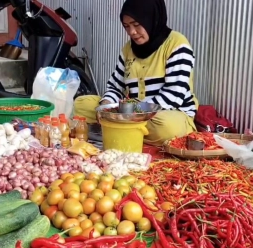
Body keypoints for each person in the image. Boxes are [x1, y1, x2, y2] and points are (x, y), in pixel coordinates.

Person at [74, 0, 199, 146]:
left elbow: (173, 95)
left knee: (166, 127)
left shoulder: (176, 44)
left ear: (151, 19)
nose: (132, 32)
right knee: (81, 105)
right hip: (129, 113)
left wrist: (131, 114)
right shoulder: (128, 49)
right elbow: (115, 86)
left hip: (169, 114)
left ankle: (116, 129)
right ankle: (125, 129)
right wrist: (106, 105)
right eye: (126, 26)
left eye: (137, 25)